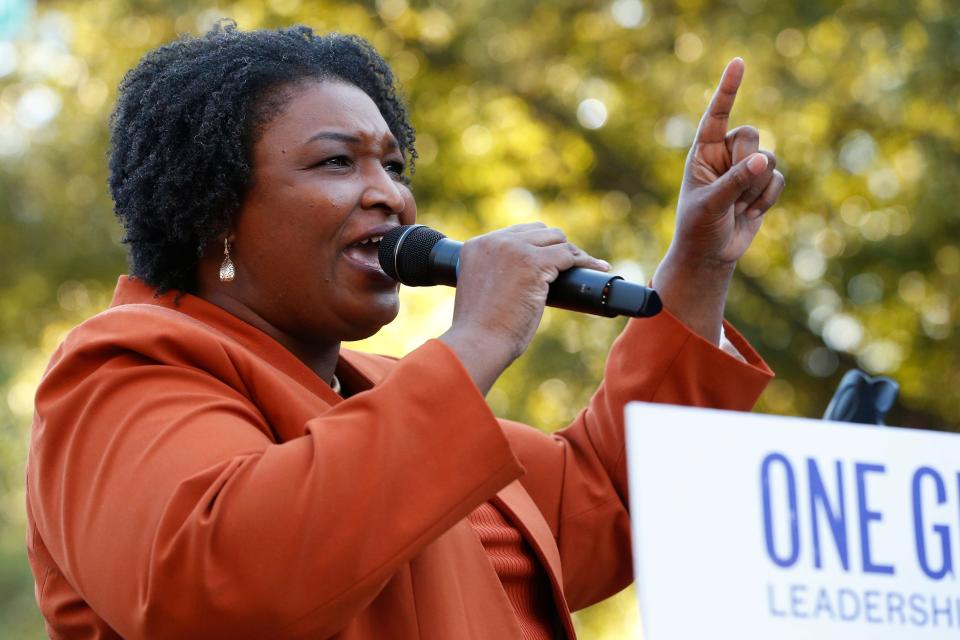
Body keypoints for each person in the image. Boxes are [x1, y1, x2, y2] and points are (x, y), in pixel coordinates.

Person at [27, 23, 782, 640]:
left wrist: (696, 269)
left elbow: (611, 495)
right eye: (336, 162)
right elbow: (212, 583)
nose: (388, 194)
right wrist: (479, 339)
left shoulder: (390, 396)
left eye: (393, 165)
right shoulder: (124, 365)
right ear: (216, 211)